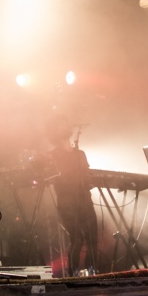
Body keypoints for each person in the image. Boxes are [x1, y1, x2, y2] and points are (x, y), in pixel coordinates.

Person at [44, 115, 98, 276]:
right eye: (61, 123)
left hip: (85, 201)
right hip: (67, 204)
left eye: (66, 122)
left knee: (92, 239)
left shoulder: (80, 153)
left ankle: (92, 272)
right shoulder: (53, 156)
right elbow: (58, 178)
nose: (66, 125)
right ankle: (74, 274)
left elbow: (87, 177)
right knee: (77, 239)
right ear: (54, 131)